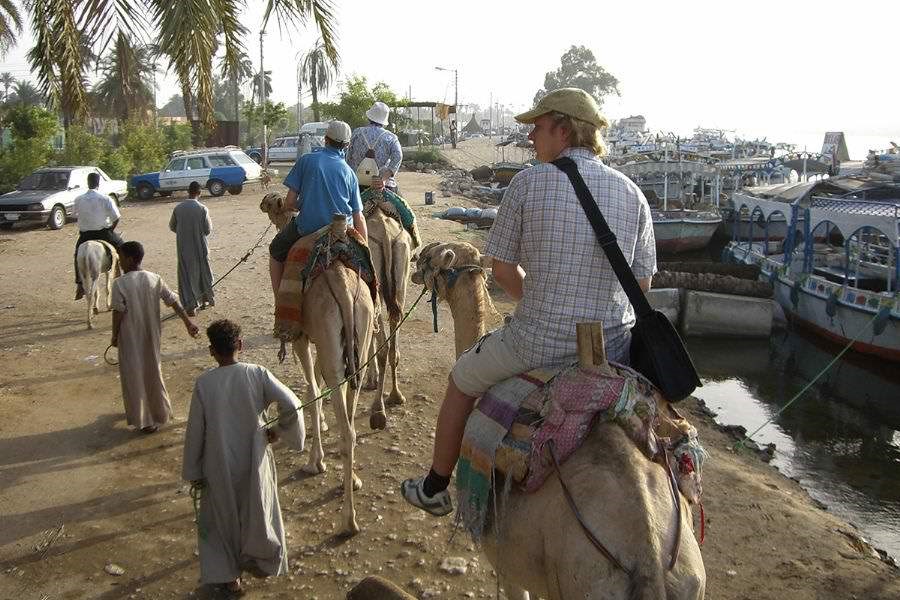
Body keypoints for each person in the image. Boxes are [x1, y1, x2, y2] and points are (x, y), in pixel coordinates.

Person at [401, 88, 657, 515]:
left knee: (462, 380)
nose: (531, 137)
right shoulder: (632, 193)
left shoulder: (527, 182)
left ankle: (434, 486)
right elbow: (642, 285)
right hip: (611, 348)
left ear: (563, 129)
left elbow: (500, 270)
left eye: (537, 128)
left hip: (537, 342)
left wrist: (539, 306)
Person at [182, 319, 304, 595]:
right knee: (257, 509)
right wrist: (279, 431)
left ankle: (229, 578)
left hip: (218, 463)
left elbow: (195, 431)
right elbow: (293, 404)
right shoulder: (257, 373)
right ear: (241, 345)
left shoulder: (204, 384)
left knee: (219, 520)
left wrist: (193, 470)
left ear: (212, 351)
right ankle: (260, 558)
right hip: (254, 459)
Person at [268, 120, 366, 297]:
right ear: (347, 145)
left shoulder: (306, 161)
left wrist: (303, 204)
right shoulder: (350, 172)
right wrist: (365, 248)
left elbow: (290, 202)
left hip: (307, 229)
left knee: (275, 250)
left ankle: (279, 299)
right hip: (342, 231)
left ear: (325, 140)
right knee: (368, 269)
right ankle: (374, 307)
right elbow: (358, 215)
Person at [110, 241, 199, 433]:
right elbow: (173, 301)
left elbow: (118, 312)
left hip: (130, 335)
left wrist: (114, 335)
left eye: (121, 258)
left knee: (134, 374)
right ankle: (159, 412)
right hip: (152, 334)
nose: (119, 263)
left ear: (131, 259)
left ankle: (144, 419)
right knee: (153, 370)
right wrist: (188, 323)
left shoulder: (119, 284)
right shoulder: (154, 278)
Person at [74, 172, 124, 300]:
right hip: (103, 233)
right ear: (98, 183)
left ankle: (80, 284)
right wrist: (111, 230)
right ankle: (124, 278)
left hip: (85, 235)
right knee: (122, 247)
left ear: (88, 183)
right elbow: (117, 217)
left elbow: (76, 215)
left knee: (76, 254)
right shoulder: (105, 198)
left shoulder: (78, 199)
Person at [169, 181, 214, 316]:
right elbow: (208, 229)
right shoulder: (202, 208)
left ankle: (190, 305)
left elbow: (172, 226)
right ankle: (205, 300)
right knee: (203, 273)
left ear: (188, 192)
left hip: (183, 248)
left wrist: (184, 232)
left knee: (186, 276)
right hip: (200, 247)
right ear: (199, 193)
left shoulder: (178, 208)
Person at [346, 101, 403, 193]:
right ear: (384, 121)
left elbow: (348, 156)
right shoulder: (390, 137)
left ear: (369, 117)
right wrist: (383, 179)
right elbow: (398, 157)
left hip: (357, 185)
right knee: (402, 205)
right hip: (382, 186)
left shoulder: (357, 133)